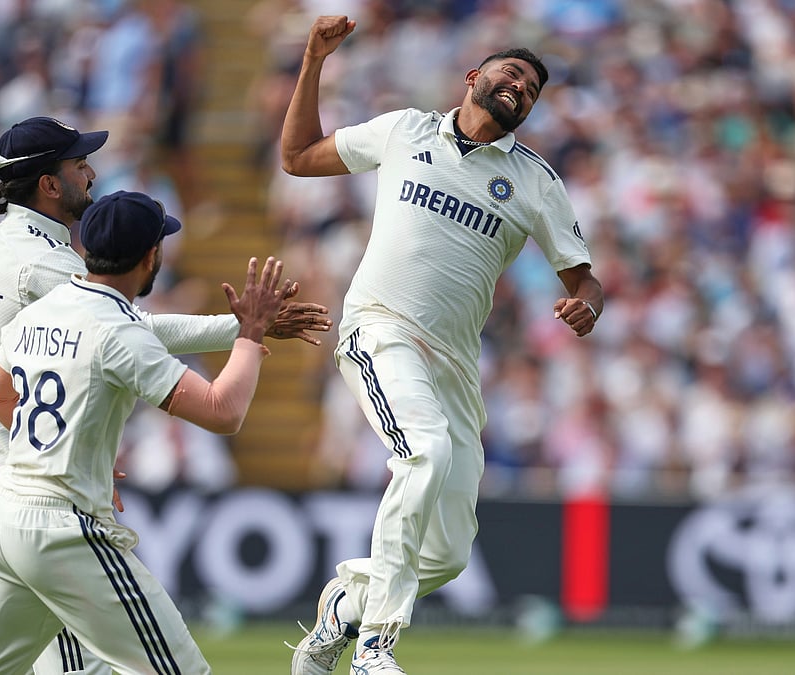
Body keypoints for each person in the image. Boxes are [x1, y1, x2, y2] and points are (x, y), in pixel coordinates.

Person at [281, 16, 604, 674]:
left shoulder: (535, 181)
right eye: (511, 73)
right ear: (472, 79)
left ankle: (344, 608)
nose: (521, 85)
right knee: (422, 450)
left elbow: (586, 276)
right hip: (380, 328)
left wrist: (586, 306)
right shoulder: (405, 129)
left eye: (534, 87)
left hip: (454, 364)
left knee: (449, 551)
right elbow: (296, 157)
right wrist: (313, 60)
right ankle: (374, 645)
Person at [0, 117, 331, 674]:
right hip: (54, 509)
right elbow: (136, 343)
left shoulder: (7, 246)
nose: (90, 171)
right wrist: (246, 330)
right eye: (77, 164)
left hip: (3, 497)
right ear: (49, 184)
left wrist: (42, 430)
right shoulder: (56, 268)